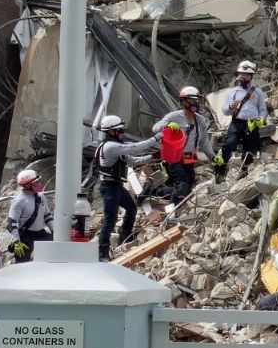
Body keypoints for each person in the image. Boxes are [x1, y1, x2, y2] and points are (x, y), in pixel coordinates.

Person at [94, 115, 161, 262]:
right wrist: (155, 139)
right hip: (109, 187)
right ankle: (102, 252)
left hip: (116, 186)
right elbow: (135, 148)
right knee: (110, 219)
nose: (122, 133)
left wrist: (152, 157)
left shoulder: (116, 147)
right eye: (119, 130)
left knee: (131, 208)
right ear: (110, 132)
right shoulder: (110, 147)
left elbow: (132, 160)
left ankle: (125, 236)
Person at [144, 86, 219, 206]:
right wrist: (168, 125)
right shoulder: (174, 116)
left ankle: (151, 190)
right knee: (182, 185)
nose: (196, 103)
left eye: (197, 101)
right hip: (174, 156)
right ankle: (173, 213)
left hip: (190, 156)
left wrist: (213, 156)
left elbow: (204, 142)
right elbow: (155, 128)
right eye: (192, 100)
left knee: (187, 188)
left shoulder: (200, 120)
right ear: (184, 101)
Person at [218, 60, 268, 182]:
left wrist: (261, 119)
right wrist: (230, 107)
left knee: (250, 150)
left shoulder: (258, 92)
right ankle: (220, 171)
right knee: (228, 145)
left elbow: (262, 109)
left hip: (252, 123)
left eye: (246, 74)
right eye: (242, 73)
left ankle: (244, 171)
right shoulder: (233, 92)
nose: (243, 76)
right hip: (237, 122)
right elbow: (224, 110)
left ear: (251, 76)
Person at [6, 168, 53, 263]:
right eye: (36, 182)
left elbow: (47, 216)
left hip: (40, 233)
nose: (39, 184)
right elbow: (12, 222)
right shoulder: (19, 200)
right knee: (22, 263)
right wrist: (16, 241)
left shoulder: (41, 197)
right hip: (26, 236)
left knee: (53, 252)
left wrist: (55, 231)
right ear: (27, 185)